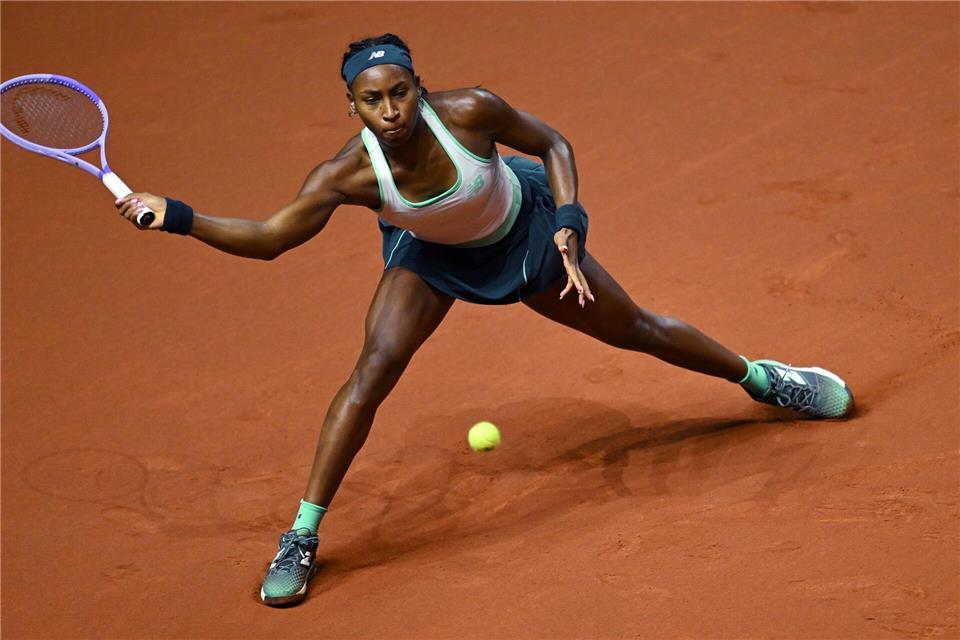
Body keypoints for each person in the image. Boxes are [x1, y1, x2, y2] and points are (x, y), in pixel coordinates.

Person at [116, 33, 854, 606]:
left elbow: (552, 145)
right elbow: (273, 238)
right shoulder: (347, 173)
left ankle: (764, 379)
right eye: (372, 101)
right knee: (371, 370)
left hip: (525, 230)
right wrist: (176, 217)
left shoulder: (470, 113)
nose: (391, 110)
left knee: (637, 329)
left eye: (400, 92)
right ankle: (302, 534)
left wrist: (569, 222)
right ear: (353, 109)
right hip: (432, 255)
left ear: (419, 86)